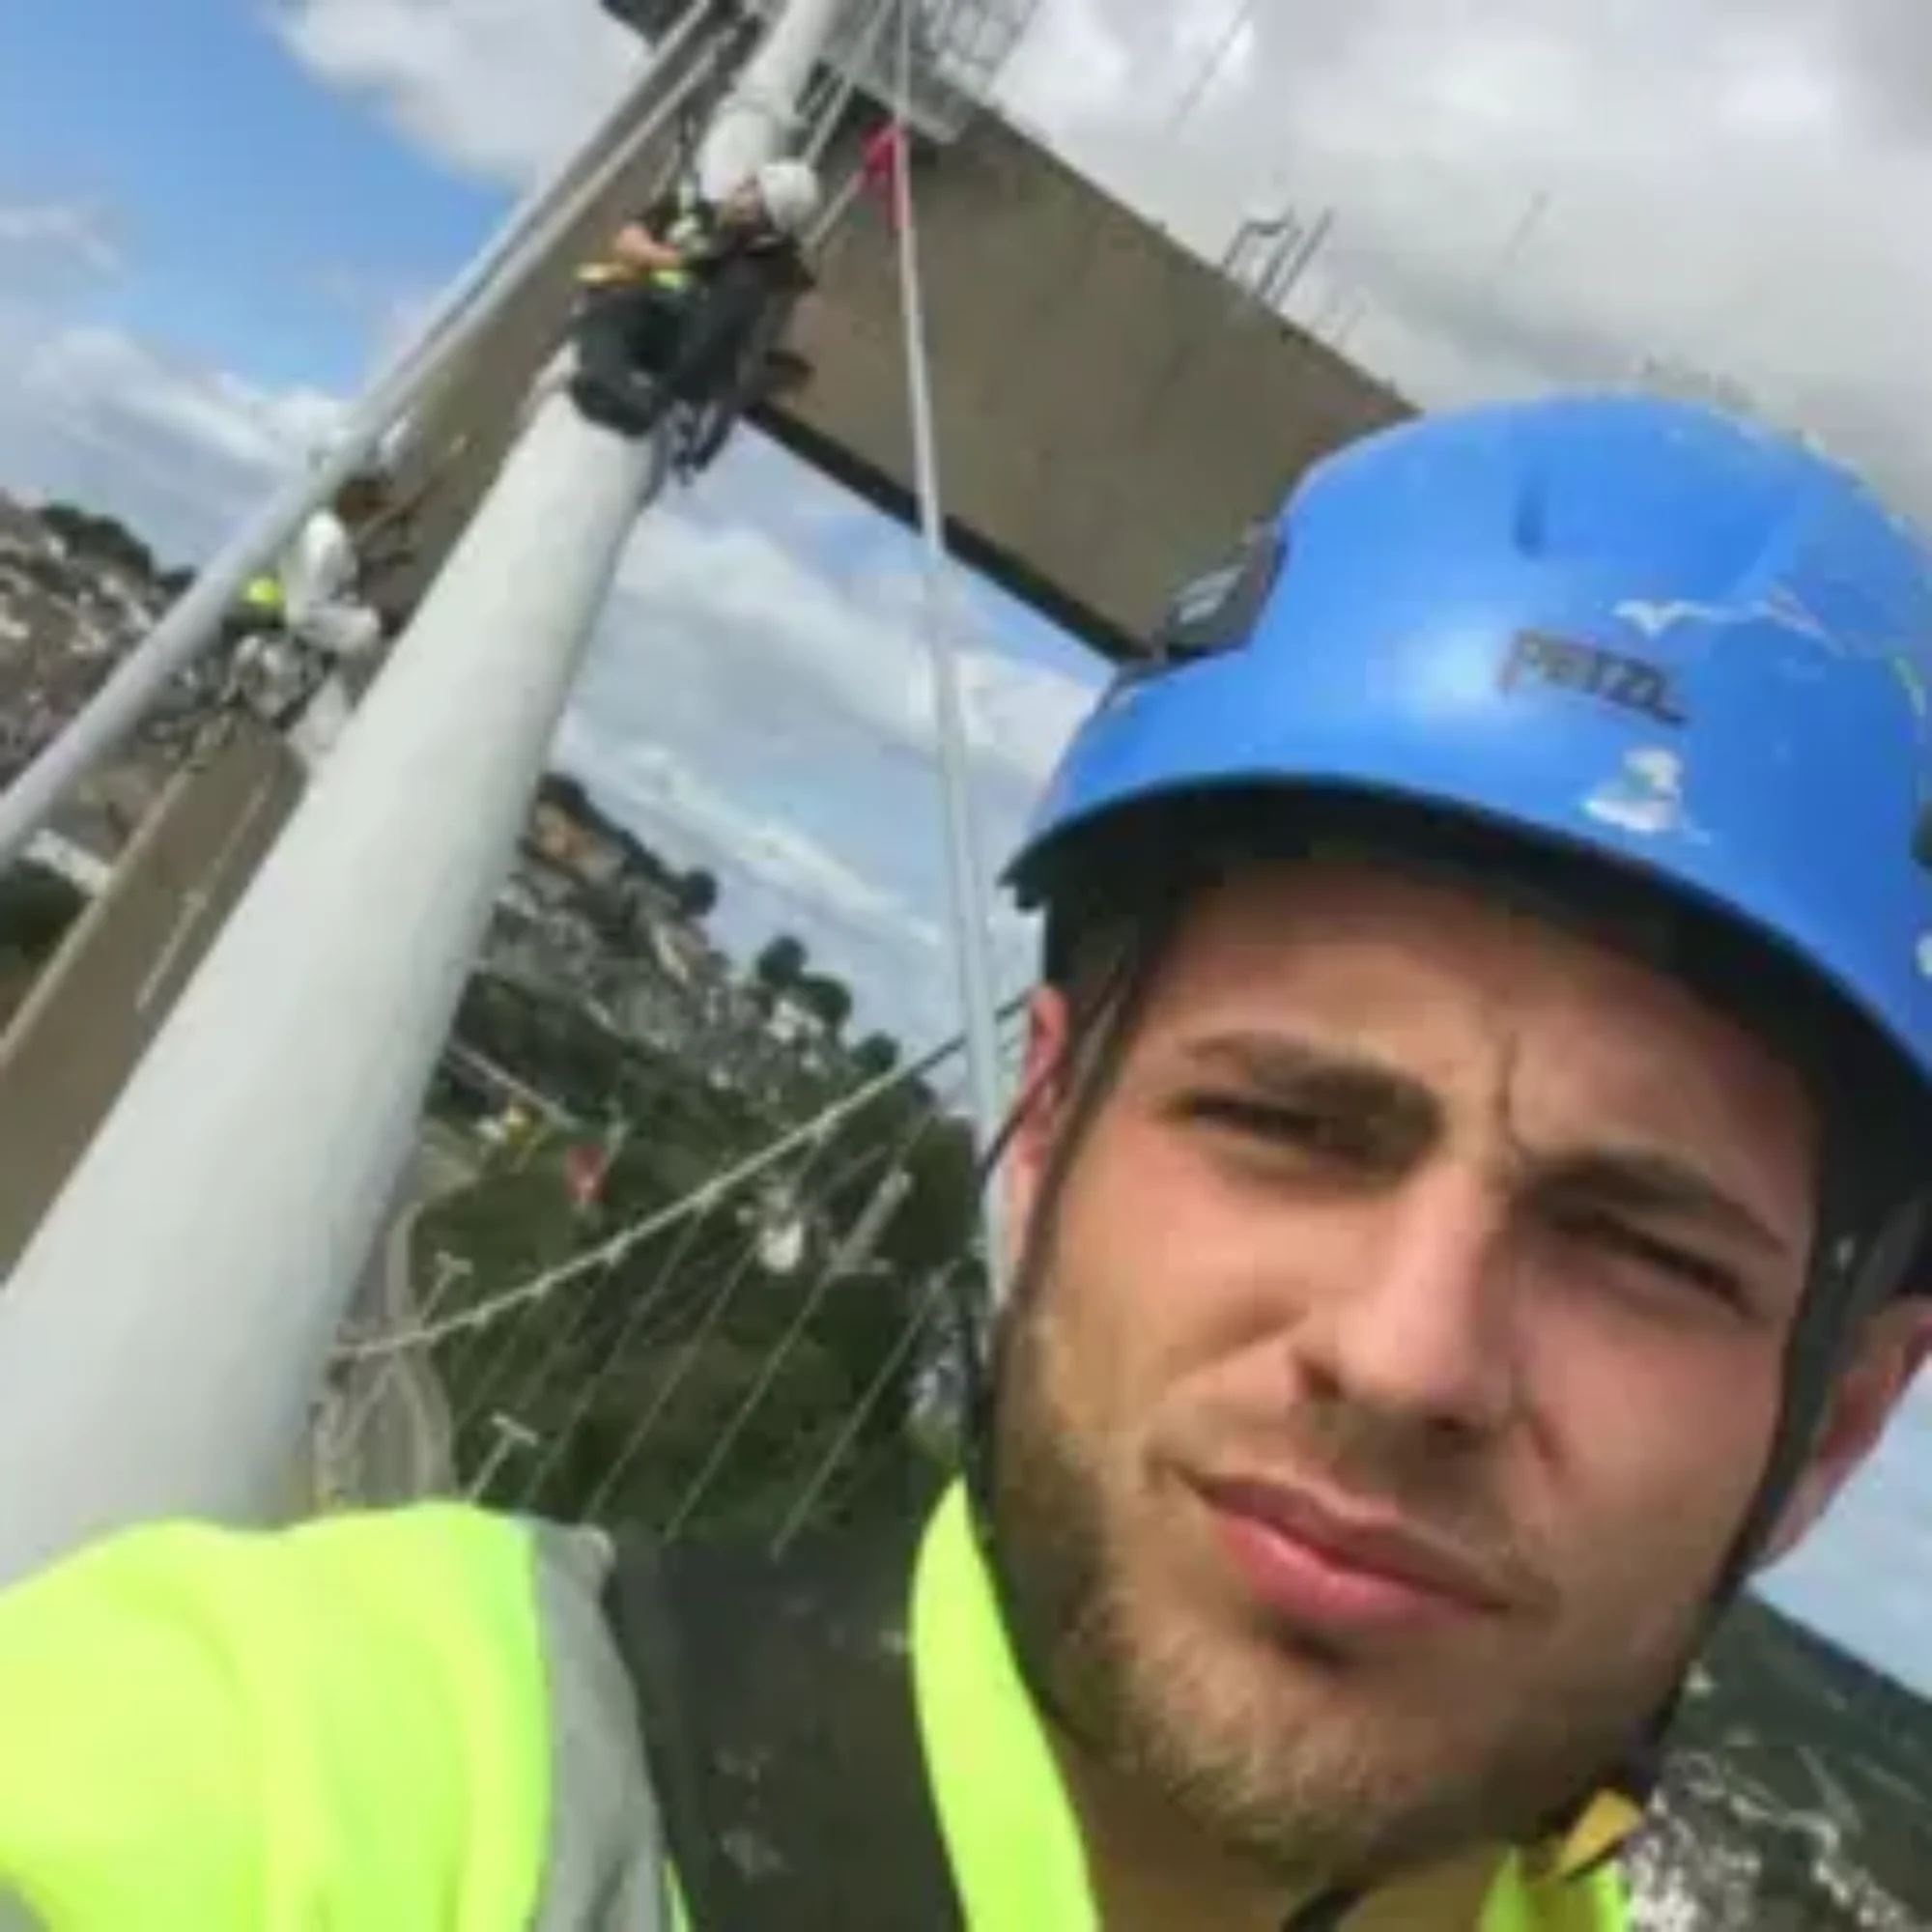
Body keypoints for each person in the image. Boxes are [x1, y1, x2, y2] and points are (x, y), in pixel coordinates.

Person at [3, 392, 1932, 1930]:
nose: (1406, 1354)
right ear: (1046, 1130)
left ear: (1837, 1424)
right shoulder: (316, 1764)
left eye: (1640, 1249)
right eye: (1289, 1125)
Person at [568, 156, 821, 440]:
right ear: (746, 182)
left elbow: (794, 347)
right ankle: (608, 385)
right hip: (648, 317)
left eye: (761, 213)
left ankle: (650, 402)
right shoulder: (687, 207)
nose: (746, 208)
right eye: (752, 192)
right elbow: (627, 242)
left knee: (742, 286)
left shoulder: (765, 266)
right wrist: (682, 260)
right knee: (614, 301)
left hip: (695, 353)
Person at [223, 453, 396, 766]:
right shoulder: (325, 536)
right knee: (345, 763)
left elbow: (312, 589)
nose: (378, 502)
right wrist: (373, 624)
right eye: (373, 490)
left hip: (277, 670)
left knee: (335, 764)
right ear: (350, 485)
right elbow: (303, 614)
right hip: (288, 668)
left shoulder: (305, 522)